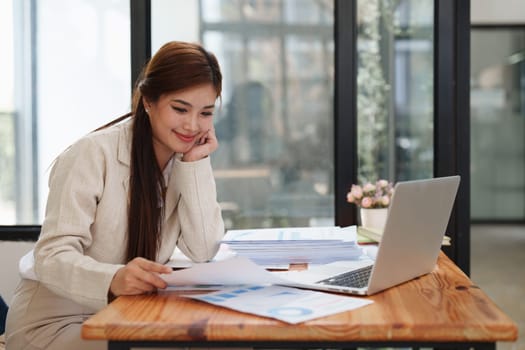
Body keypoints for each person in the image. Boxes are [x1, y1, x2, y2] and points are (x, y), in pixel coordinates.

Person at [5, 41, 225, 350]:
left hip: (125, 316)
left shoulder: (185, 160)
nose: (192, 125)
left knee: (219, 342)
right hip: (56, 325)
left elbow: (203, 249)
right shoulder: (93, 154)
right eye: (180, 108)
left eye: (205, 113)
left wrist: (196, 164)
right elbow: (51, 257)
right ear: (148, 100)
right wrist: (113, 279)